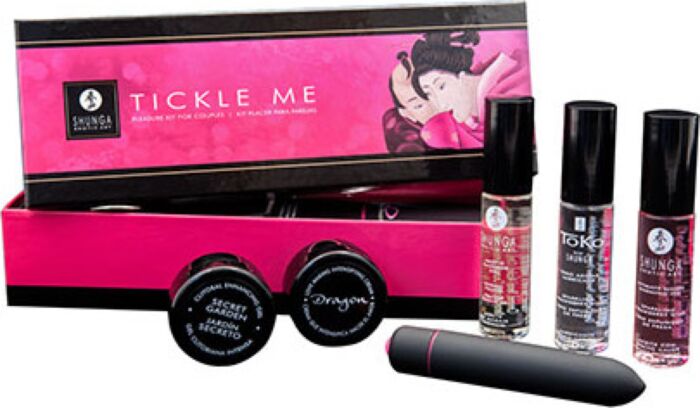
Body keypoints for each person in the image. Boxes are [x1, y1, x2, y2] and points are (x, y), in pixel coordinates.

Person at [410, 31, 531, 147]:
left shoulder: (514, 88)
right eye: (429, 94)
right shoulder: (471, 117)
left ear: (463, 77)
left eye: (441, 86)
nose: (441, 104)